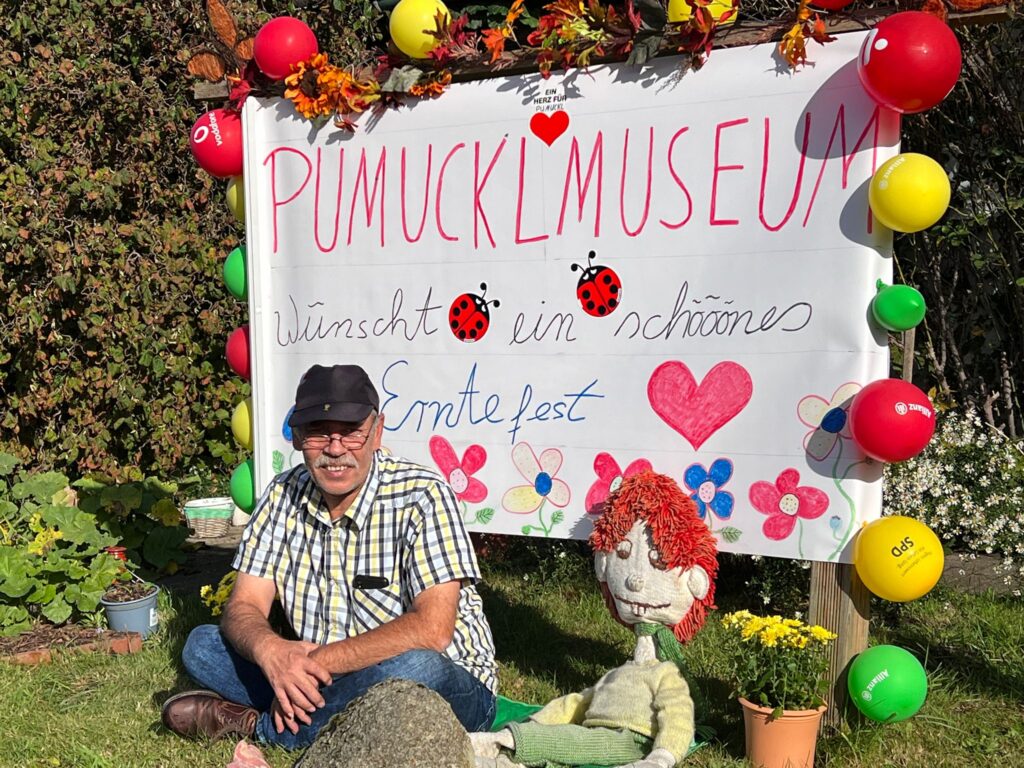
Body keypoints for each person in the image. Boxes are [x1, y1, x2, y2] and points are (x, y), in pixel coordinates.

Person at [162, 364, 497, 749]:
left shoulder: (422, 495)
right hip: (326, 678)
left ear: (377, 431)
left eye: (351, 431)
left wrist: (316, 662)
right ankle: (319, 712)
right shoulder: (281, 495)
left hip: (450, 682)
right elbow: (244, 604)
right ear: (299, 436)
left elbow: (433, 630)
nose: (335, 449)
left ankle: (264, 728)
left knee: (417, 666)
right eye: (319, 432)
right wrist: (272, 651)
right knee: (202, 646)